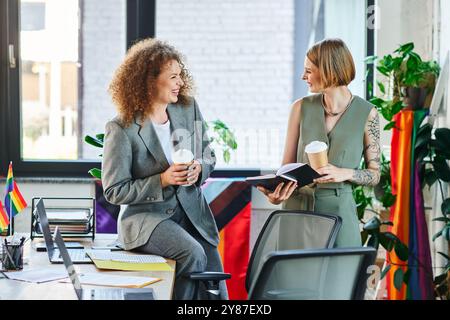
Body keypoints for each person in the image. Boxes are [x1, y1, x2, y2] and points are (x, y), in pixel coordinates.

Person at [101, 38, 228, 300]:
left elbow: (208, 155)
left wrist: (198, 169)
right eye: (173, 77)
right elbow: (114, 191)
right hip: (147, 219)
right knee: (192, 253)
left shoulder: (187, 107)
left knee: (215, 283)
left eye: (181, 75)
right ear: (149, 81)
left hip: (192, 214)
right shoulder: (121, 128)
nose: (181, 83)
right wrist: (162, 179)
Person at [257, 38, 381, 247]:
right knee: (297, 277)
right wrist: (276, 194)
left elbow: (375, 174)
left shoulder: (367, 113)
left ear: (328, 71)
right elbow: (286, 168)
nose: (303, 76)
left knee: (340, 277)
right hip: (298, 210)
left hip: (340, 213)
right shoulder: (300, 108)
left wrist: (345, 173)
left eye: (308, 71)